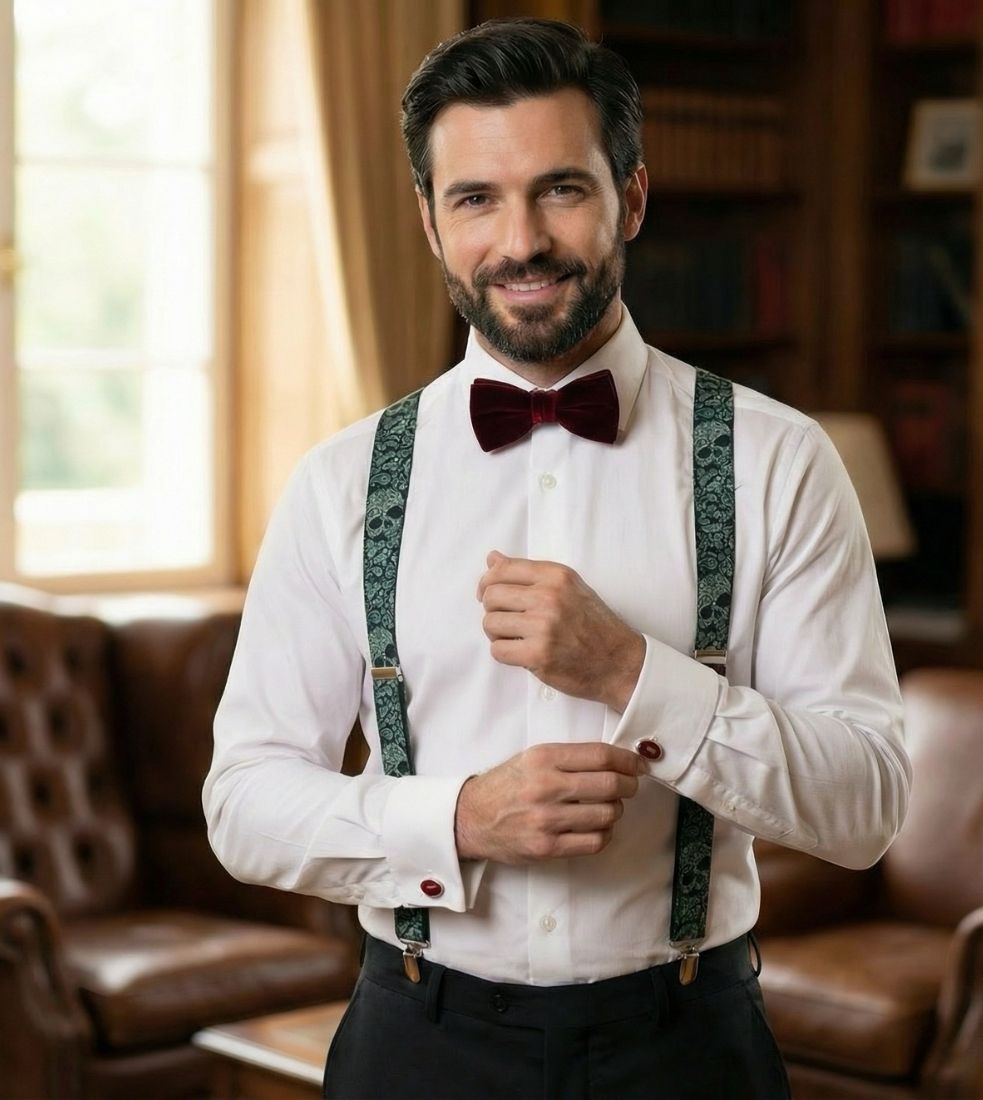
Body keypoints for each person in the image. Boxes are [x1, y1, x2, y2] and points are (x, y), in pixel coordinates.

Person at [203, 18, 911, 1100]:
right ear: (430, 222)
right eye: (475, 199)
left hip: (687, 1049)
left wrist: (633, 674)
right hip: (416, 1044)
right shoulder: (341, 481)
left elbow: (865, 806)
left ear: (631, 197)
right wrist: (455, 819)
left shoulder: (777, 461)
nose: (521, 240)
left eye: (561, 190)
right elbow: (244, 803)